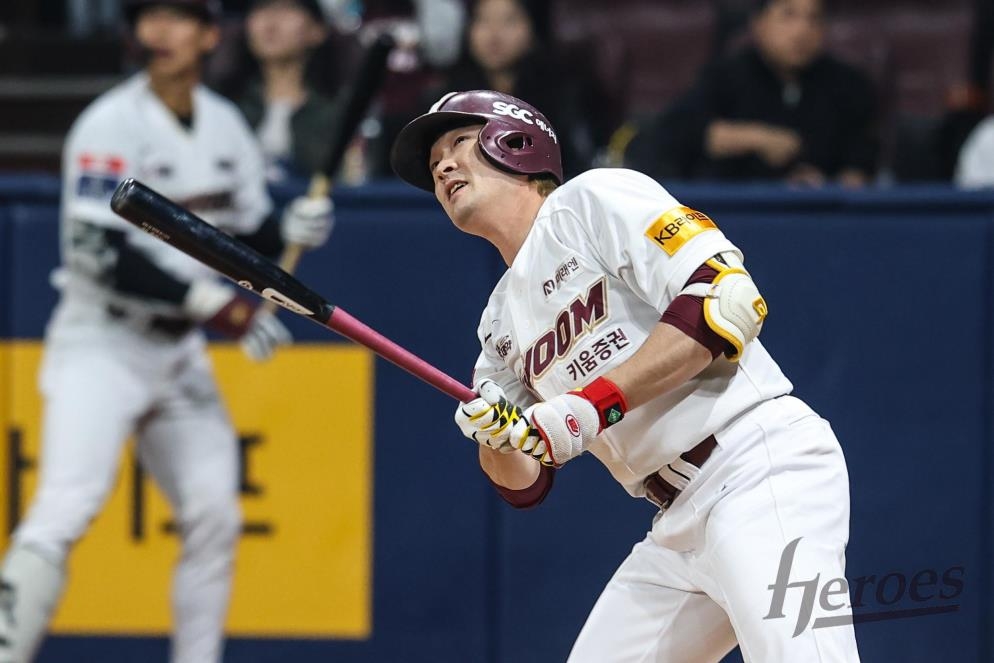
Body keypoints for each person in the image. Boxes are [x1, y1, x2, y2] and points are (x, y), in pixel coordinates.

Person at [390, 89, 860, 662]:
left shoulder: (592, 199)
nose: (442, 165)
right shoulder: (497, 324)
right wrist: (496, 438)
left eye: (458, 142)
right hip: (677, 523)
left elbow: (729, 302)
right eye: (434, 161)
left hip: (757, 467)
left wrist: (588, 406)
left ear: (513, 141)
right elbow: (525, 484)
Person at [0, 1, 333, 662]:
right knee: (65, 509)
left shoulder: (224, 121)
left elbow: (242, 232)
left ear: (210, 35)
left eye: (177, 17)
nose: (159, 32)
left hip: (176, 351)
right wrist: (211, 301)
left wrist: (287, 230)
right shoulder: (111, 120)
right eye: (148, 18)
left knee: (215, 515)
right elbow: (96, 250)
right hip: (103, 339)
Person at [627, 0, 877, 186]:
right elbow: (675, 133)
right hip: (737, 213)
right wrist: (754, 137)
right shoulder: (725, 76)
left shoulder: (848, 84)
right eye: (787, 15)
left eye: (814, 19)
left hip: (820, 219)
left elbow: (862, 164)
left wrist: (831, 186)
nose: (802, 30)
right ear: (758, 24)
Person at [436, 0, 612, 176]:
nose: (493, 34)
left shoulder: (565, 93)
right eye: (482, 20)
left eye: (509, 20)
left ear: (534, 28)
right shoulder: (447, 99)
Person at [231, 0, 343, 180]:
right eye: (261, 8)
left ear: (318, 30)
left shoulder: (340, 111)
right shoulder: (226, 107)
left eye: (287, 8)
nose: (270, 22)